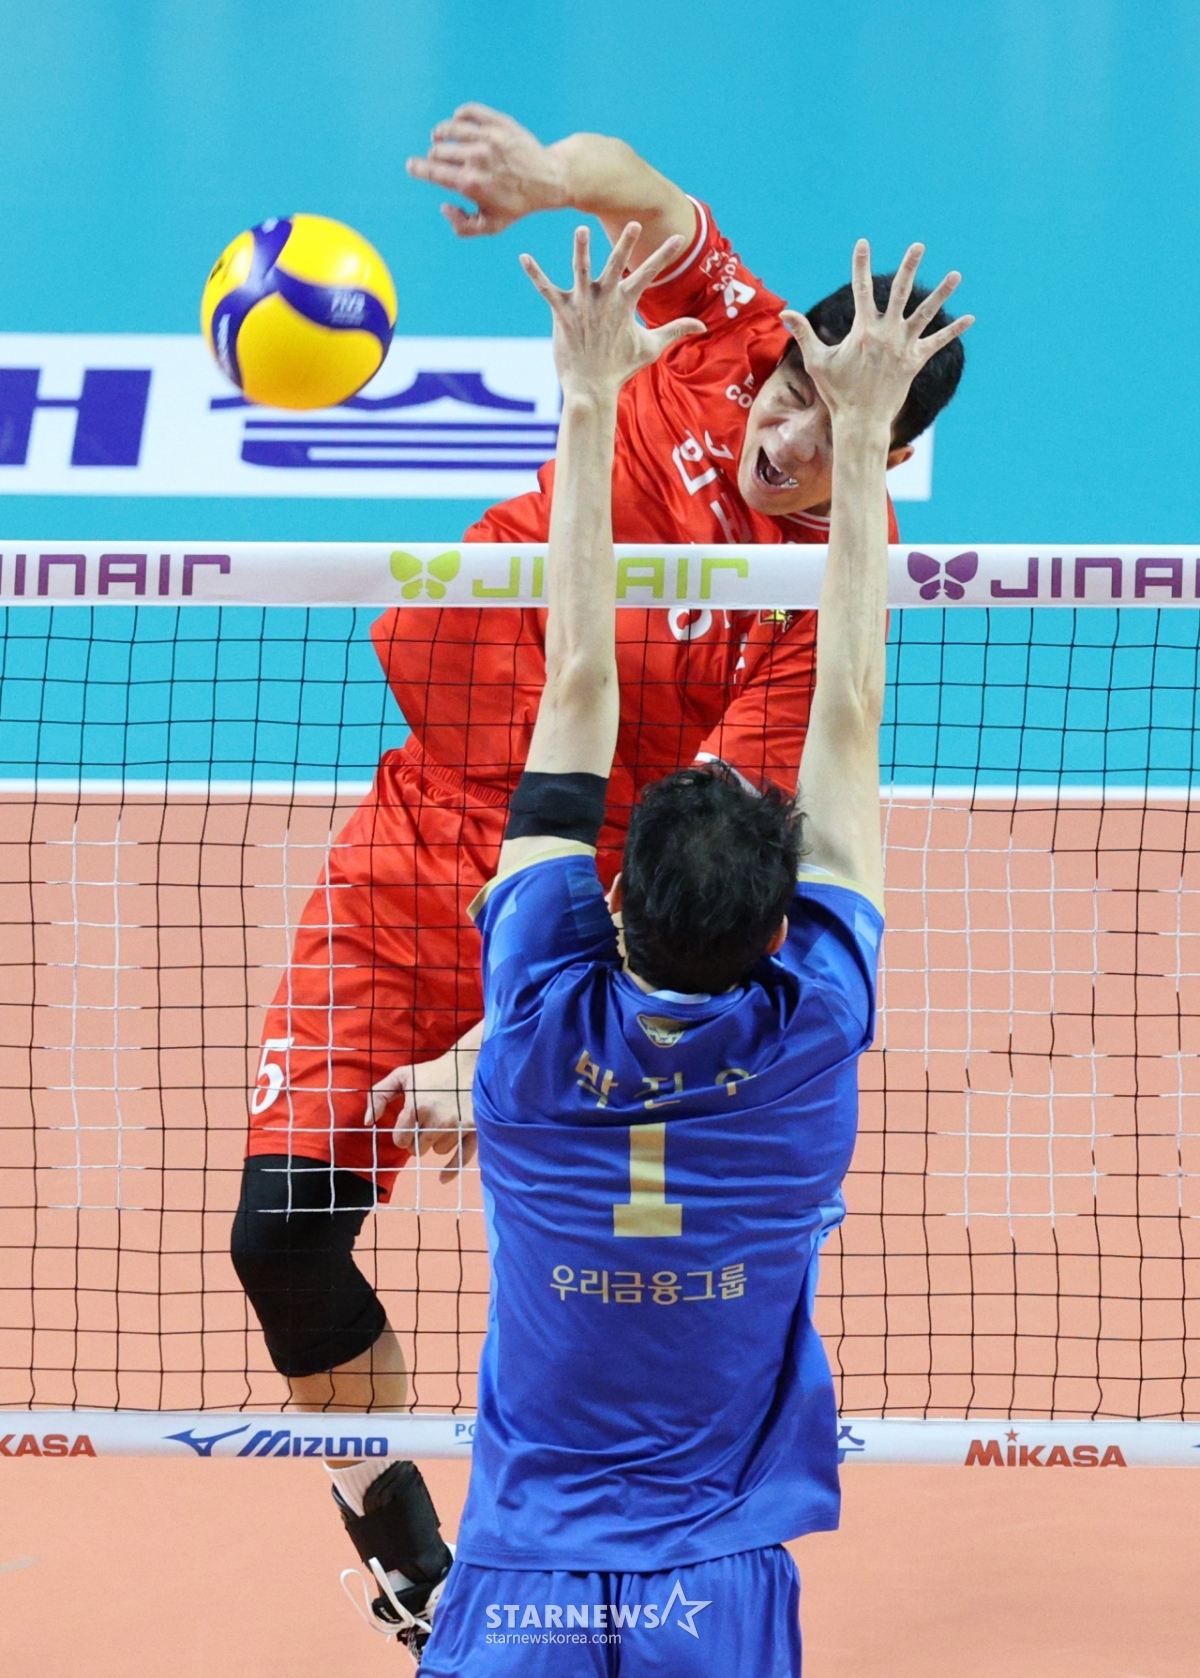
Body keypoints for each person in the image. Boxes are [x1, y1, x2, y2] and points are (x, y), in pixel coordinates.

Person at [229, 104, 967, 1656]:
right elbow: (645, 187)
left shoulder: (813, 601)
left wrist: (506, 1034)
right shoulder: (729, 332)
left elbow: (698, 872)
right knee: (280, 1238)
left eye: (826, 431)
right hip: (413, 835)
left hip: (568, 896)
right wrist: (546, 182)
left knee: (604, 1291)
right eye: (786, 390)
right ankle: (408, 1555)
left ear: (886, 452)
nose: (784, 436)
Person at [417, 225, 970, 1676]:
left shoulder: (533, 1026)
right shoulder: (812, 1034)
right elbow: (847, 709)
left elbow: (578, 677)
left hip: (522, 1569)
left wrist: (587, 397)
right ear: (780, 925)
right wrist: (867, 441)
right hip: (713, 1578)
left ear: (611, 908)